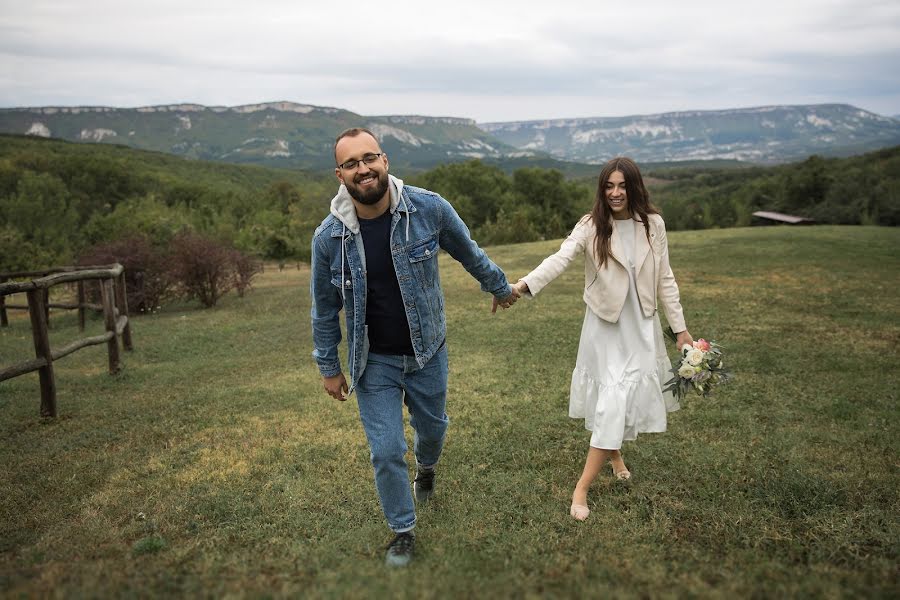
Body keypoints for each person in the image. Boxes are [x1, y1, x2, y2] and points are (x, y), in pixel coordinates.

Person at [310, 127, 519, 566]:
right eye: (351, 163)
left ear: (385, 161)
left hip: (427, 351)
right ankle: (402, 530)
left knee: (433, 429)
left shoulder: (428, 209)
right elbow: (324, 309)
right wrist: (328, 366)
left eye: (369, 158)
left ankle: (427, 467)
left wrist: (499, 286)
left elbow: (469, 251)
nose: (362, 168)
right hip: (372, 362)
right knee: (386, 451)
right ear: (340, 175)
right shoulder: (329, 239)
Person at [511, 157, 693, 521]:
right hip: (605, 328)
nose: (615, 193)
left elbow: (665, 278)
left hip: (641, 327)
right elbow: (560, 258)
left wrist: (681, 329)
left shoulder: (652, 225)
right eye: (608, 186)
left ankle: (615, 456)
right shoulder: (591, 225)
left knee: (621, 398)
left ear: (635, 187)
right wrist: (524, 285)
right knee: (612, 401)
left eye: (622, 186)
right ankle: (581, 487)